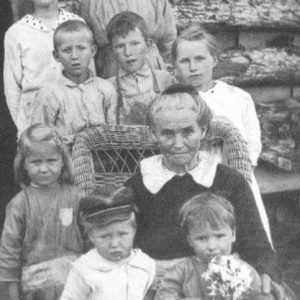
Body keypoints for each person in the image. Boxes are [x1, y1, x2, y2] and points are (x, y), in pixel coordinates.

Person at [125, 83, 281, 297]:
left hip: (220, 283)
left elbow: (256, 242)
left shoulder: (228, 181)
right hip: (159, 285)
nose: (178, 143)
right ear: (154, 133)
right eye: (167, 134)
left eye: (188, 132)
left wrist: (265, 272)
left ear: (203, 130)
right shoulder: (139, 185)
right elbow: (122, 246)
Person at [172, 24, 273, 247]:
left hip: (235, 176)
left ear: (214, 60)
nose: (193, 68)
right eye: (185, 61)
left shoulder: (238, 98)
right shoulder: (173, 102)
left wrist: (236, 179)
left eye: (200, 59)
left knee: (243, 237)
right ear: (175, 66)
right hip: (190, 180)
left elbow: (251, 149)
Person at [0, 124, 84, 300]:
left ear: (62, 160)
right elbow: (9, 255)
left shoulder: (76, 196)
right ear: (24, 164)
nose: (44, 169)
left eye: (51, 161)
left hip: (75, 287)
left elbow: (91, 239)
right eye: (36, 162)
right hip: (35, 291)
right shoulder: (19, 204)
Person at [155, 192, 263, 299]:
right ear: (190, 240)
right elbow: (165, 293)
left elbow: (258, 294)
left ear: (233, 234)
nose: (211, 246)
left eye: (219, 236)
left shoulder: (243, 270)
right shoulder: (183, 270)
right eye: (202, 238)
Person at [60, 187, 156, 300]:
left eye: (123, 234)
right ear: (91, 236)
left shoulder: (144, 264)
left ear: (134, 230)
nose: (115, 244)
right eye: (104, 236)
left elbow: (150, 293)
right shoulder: (84, 269)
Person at [4, 0, 83, 136]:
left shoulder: (77, 24)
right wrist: (24, 129)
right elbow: (12, 89)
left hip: (75, 120)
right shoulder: (16, 33)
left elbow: (88, 73)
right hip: (34, 124)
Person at [31, 20, 118, 144]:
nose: (74, 56)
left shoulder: (106, 88)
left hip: (102, 160)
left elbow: (112, 133)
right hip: (66, 159)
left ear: (93, 51)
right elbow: (39, 138)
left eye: (81, 48)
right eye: (67, 50)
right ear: (56, 55)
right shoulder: (49, 94)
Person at [106, 11, 175, 125]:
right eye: (120, 46)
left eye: (135, 44)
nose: (128, 52)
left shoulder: (166, 80)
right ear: (112, 51)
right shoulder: (108, 88)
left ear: (148, 45)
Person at [77, 0, 177, 78]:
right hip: (111, 71)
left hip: (152, 69)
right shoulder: (90, 3)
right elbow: (86, 45)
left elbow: (169, 39)